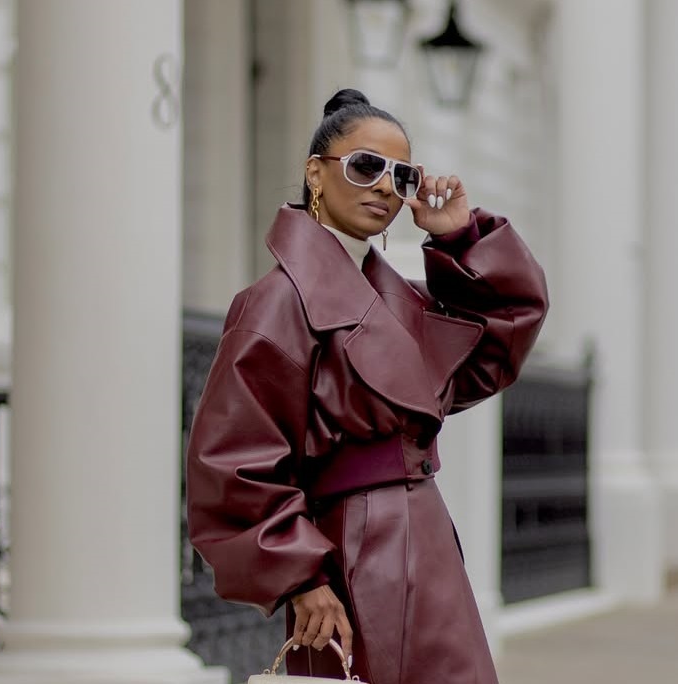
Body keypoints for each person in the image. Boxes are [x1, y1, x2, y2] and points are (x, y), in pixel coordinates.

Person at [185, 88, 548, 684]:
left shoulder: (392, 299)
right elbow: (232, 460)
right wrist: (300, 576)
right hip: (352, 549)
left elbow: (496, 347)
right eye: (365, 166)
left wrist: (457, 239)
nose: (384, 186)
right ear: (315, 174)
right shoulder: (276, 303)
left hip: (422, 533)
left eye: (401, 175)